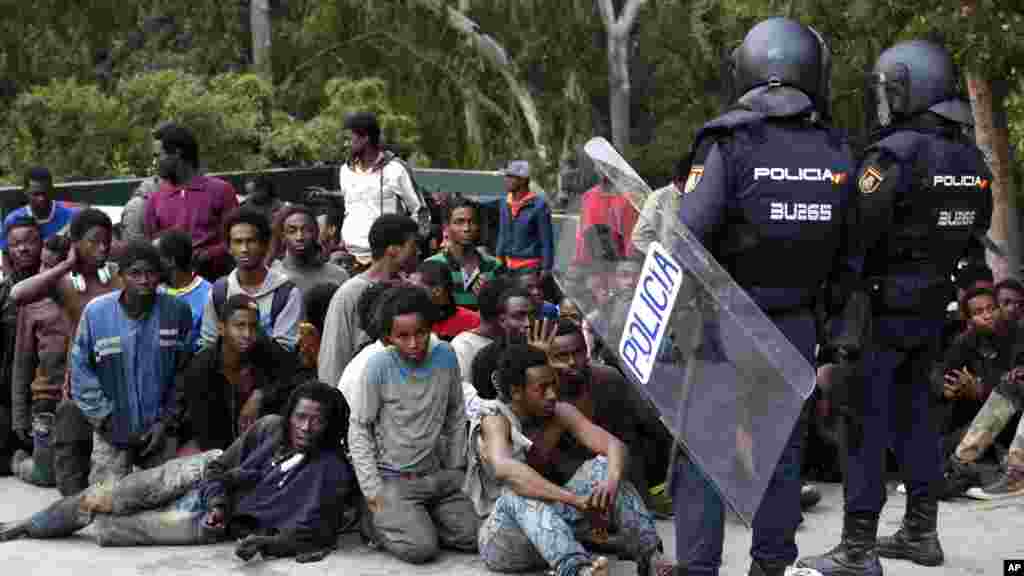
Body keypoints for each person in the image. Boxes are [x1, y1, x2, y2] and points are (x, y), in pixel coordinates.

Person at [670, 19, 857, 576]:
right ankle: (772, 567)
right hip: (796, 326)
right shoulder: (835, 147)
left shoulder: (727, 141)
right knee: (780, 457)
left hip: (724, 323)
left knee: (705, 457)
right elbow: (849, 251)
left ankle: (699, 569)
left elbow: (688, 237)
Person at [799, 40, 993, 576]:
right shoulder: (971, 159)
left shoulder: (893, 155)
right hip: (933, 309)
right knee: (919, 422)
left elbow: (856, 238)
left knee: (862, 425)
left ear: (908, 89)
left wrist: (832, 310)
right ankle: (920, 532)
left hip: (878, 312)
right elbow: (972, 239)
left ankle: (858, 549)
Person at [0, 381, 352, 564]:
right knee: (104, 498)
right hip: (202, 475)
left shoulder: (331, 470)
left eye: (317, 420)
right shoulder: (272, 427)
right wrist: (216, 498)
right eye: (300, 417)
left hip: (218, 520)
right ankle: (27, 525)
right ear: (290, 414)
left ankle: (44, 524)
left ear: (330, 424)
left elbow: (314, 532)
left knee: (110, 529)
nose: (306, 427)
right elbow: (218, 467)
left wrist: (264, 543)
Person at [468, 344, 671, 576]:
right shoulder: (494, 417)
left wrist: (611, 482)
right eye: (541, 389)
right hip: (505, 540)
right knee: (516, 491)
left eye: (552, 385)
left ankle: (650, 556)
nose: (552, 394)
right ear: (516, 392)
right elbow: (507, 470)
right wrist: (575, 500)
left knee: (605, 467)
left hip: (552, 527)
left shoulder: (559, 411)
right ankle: (577, 570)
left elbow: (614, 446)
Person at [348, 285, 478, 564]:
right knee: (421, 549)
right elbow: (359, 429)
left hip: (434, 476)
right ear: (388, 337)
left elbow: (456, 411)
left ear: (430, 327)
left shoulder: (445, 355)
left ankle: (415, 518)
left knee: (475, 536)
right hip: (392, 478)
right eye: (402, 336)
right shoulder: (378, 365)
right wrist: (373, 492)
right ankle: (375, 520)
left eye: (420, 333)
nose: (413, 343)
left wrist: (456, 466)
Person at [10, 208, 122, 496]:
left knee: (102, 481)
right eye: (94, 241)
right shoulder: (64, 284)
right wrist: (65, 265)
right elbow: (17, 294)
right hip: (73, 395)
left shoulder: (118, 278)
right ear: (75, 243)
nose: (102, 247)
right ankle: (21, 462)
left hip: (113, 392)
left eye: (106, 241)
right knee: (60, 483)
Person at [70, 241, 193, 486]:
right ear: (121, 275)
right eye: (135, 273)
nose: (144, 280)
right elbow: (81, 372)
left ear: (160, 275)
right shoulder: (96, 313)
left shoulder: (177, 311)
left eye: (151, 272)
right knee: (105, 503)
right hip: (111, 431)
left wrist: (165, 422)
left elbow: (184, 372)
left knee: (159, 503)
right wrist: (106, 420)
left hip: (159, 431)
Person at [179, 295, 296, 455]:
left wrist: (261, 394)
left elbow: (296, 378)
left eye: (253, 326)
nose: (247, 334)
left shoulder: (265, 350)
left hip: (265, 448)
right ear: (221, 328)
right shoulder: (201, 368)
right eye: (240, 326)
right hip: (218, 453)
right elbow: (207, 435)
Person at [318, 214, 420, 389]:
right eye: (413, 245)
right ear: (393, 249)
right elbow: (334, 355)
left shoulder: (412, 290)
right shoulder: (350, 293)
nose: (418, 251)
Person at [10, 235, 72, 486]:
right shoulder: (32, 303)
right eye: (42, 265)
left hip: (82, 403)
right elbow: (22, 362)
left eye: (51, 266)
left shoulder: (83, 296)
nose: (43, 272)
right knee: (46, 477)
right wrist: (19, 417)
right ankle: (19, 462)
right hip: (47, 401)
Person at [199, 208, 304, 353]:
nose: (244, 249)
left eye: (251, 241)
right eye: (237, 242)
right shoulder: (219, 291)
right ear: (229, 248)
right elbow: (208, 345)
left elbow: (286, 348)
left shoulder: (286, 292)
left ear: (264, 246)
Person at [144, 123, 238, 280]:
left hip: (215, 287)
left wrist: (208, 254)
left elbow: (236, 240)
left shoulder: (221, 191)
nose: (154, 162)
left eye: (157, 155)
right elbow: (152, 248)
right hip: (171, 292)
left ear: (177, 153)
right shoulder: (155, 199)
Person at [931, 287, 1015, 462]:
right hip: (973, 422)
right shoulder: (964, 343)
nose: (987, 315)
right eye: (979, 312)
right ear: (969, 321)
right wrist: (947, 389)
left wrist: (981, 389)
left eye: (992, 309)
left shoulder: (1016, 338)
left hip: (1012, 422)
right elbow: (939, 373)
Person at [338, 111, 426, 271]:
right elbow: (349, 210)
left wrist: (408, 250)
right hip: (350, 260)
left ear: (365, 138)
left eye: (349, 139)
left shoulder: (396, 169)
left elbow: (420, 213)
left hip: (386, 261)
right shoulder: (345, 170)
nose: (345, 144)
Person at [0, 218, 44, 474]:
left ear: (41, 244)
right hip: (9, 392)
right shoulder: (4, 293)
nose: (23, 248)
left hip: (46, 392)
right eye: (16, 243)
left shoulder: (59, 285)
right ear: (8, 248)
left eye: (29, 241)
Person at [426, 197, 504, 310]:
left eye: (471, 222)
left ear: (478, 226)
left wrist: (489, 297)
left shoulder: (494, 266)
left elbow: (502, 311)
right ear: (446, 226)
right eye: (459, 222)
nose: (466, 228)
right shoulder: (431, 265)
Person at [270, 205, 349, 296]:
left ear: (316, 233)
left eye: (306, 230)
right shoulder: (272, 278)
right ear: (283, 236)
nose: (299, 237)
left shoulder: (338, 276)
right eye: (292, 231)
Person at [154, 229, 212, 353]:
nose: (154, 264)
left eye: (158, 258)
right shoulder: (155, 291)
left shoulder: (209, 294)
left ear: (171, 261)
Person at [495, 160, 554, 276]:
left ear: (523, 180)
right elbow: (502, 234)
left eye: (510, 177)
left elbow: (546, 241)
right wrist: (498, 258)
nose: (506, 180)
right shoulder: (504, 203)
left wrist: (546, 268)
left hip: (530, 269)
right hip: (507, 268)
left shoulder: (539, 206)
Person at [451, 277, 513, 384]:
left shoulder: (517, 340)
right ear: (500, 319)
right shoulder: (463, 346)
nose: (527, 323)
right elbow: (464, 393)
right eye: (518, 315)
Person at [0, 167, 77, 251]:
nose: (41, 198)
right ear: (26, 191)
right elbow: (5, 253)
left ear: (51, 190)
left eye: (45, 193)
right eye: (36, 194)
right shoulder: (13, 219)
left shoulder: (70, 217)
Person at [574, 176, 639, 266]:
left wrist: (629, 263)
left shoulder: (627, 197)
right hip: (593, 262)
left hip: (618, 262)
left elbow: (630, 235)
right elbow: (581, 233)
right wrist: (579, 262)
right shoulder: (588, 196)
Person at [409, 259, 480, 341]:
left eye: (415, 288)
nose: (410, 293)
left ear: (438, 290)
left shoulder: (472, 322)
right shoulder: (410, 320)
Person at [632, 159, 691, 254]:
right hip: (676, 261)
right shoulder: (658, 198)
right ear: (679, 180)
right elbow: (639, 236)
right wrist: (664, 257)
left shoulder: (700, 194)